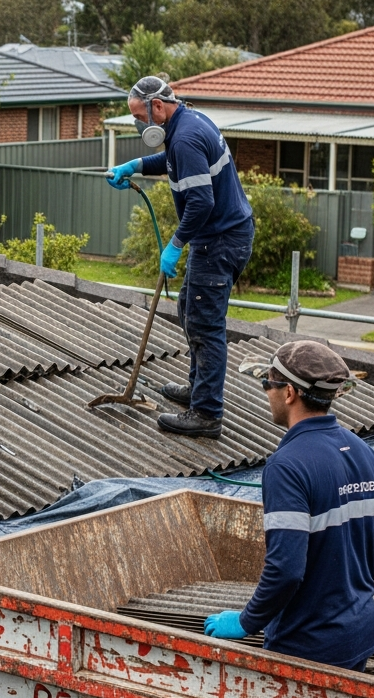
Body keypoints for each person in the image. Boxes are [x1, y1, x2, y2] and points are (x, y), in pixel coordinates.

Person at [203, 341, 374, 672]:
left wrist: (247, 621)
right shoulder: (364, 452)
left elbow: (286, 570)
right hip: (358, 633)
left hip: (306, 647)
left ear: (289, 393)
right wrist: (343, 597)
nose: (266, 392)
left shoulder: (287, 466)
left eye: (267, 383)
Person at [107, 76, 254, 440]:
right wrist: (135, 164)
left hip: (219, 241)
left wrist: (175, 244)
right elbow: (172, 161)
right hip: (223, 236)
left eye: (141, 117)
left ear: (158, 106)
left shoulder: (186, 136)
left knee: (205, 324)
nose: (142, 125)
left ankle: (206, 414)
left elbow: (201, 202)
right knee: (190, 308)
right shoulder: (190, 121)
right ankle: (198, 389)